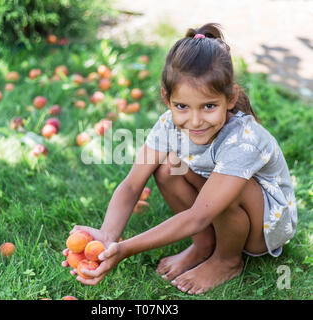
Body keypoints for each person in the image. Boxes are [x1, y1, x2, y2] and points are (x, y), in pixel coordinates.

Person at [61, 23, 297, 295]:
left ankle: (227, 260)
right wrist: (108, 235)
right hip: (215, 202)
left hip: (264, 226)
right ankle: (204, 244)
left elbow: (198, 215)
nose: (195, 121)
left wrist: (124, 249)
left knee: (233, 187)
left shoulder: (244, 141)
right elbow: (131, 185)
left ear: (230, 98)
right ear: (167, 98)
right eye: (182, 106)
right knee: (166, 168)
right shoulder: (169, 125)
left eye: (209, 106)